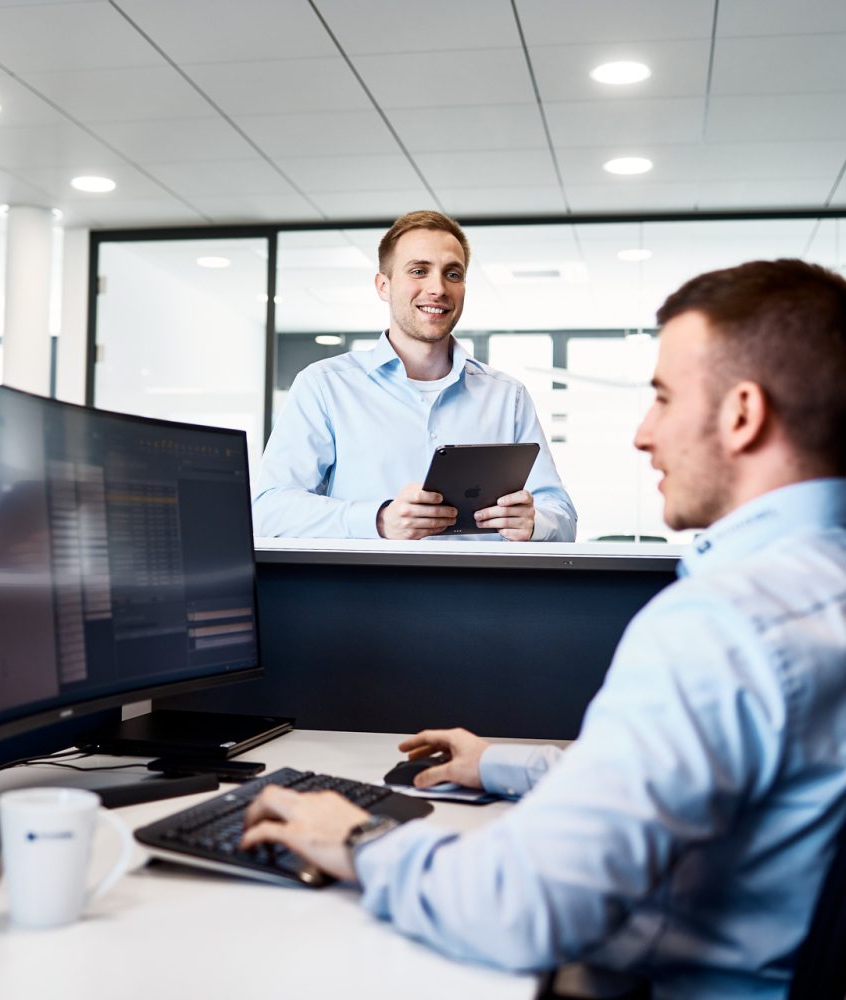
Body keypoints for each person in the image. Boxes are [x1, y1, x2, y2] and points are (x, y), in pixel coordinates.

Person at [240, 259, 846, 998]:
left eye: (661, 398)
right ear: (384, 285)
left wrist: (356, 840)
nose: (642, 434)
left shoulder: (723, 624)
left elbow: (526, 908)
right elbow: (692, 780)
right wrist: (499, 762)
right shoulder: (814, 593)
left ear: (742, 415)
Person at [252, 210, 577, 541]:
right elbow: (270, 512)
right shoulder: (325, 386)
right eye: (419, 271)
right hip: (366, 592)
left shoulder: (508, 396)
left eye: (453, 274)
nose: (437, 288)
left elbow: (563, 517)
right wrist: (378, 521)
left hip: (484, 591)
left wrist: (535, 522)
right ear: (383, 285)